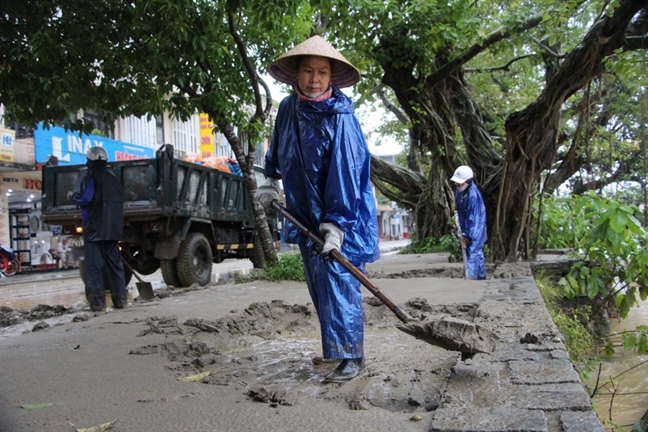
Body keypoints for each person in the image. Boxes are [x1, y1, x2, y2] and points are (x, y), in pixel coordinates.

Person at [256, 35, 380, 383]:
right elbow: (278, 148)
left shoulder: (341, 117)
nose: (314, 78)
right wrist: (270, 178)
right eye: (308, 71)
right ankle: (335, 349)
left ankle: (352, 356)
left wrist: (336, 225)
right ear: (296, 74)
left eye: (322, 72)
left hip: (344, 214)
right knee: (319, 285)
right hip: (305, 213)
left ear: (331, 77)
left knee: (340, 282)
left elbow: (346, 172)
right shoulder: (287, 107)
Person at [67, 146, 126, 311]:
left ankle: (98, 303)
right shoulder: (114, 178)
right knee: (115, 265)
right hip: (113, 228)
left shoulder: (90, 176)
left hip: (94, 228)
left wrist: (72, 196)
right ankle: (120, 300)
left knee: (94, 266)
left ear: (89, 161)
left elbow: (85, 198)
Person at [450, 165, 487, 280]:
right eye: (457, 183)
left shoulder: (473, 196)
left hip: (476, 228)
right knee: (478, 253)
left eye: (460, 184)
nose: (458, 186)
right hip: (467, 227)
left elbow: (474, 218)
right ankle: (481, 277)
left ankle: (470, 278)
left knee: (473, 251)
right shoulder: (460, 192)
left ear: (468, 182)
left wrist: (468, 236)